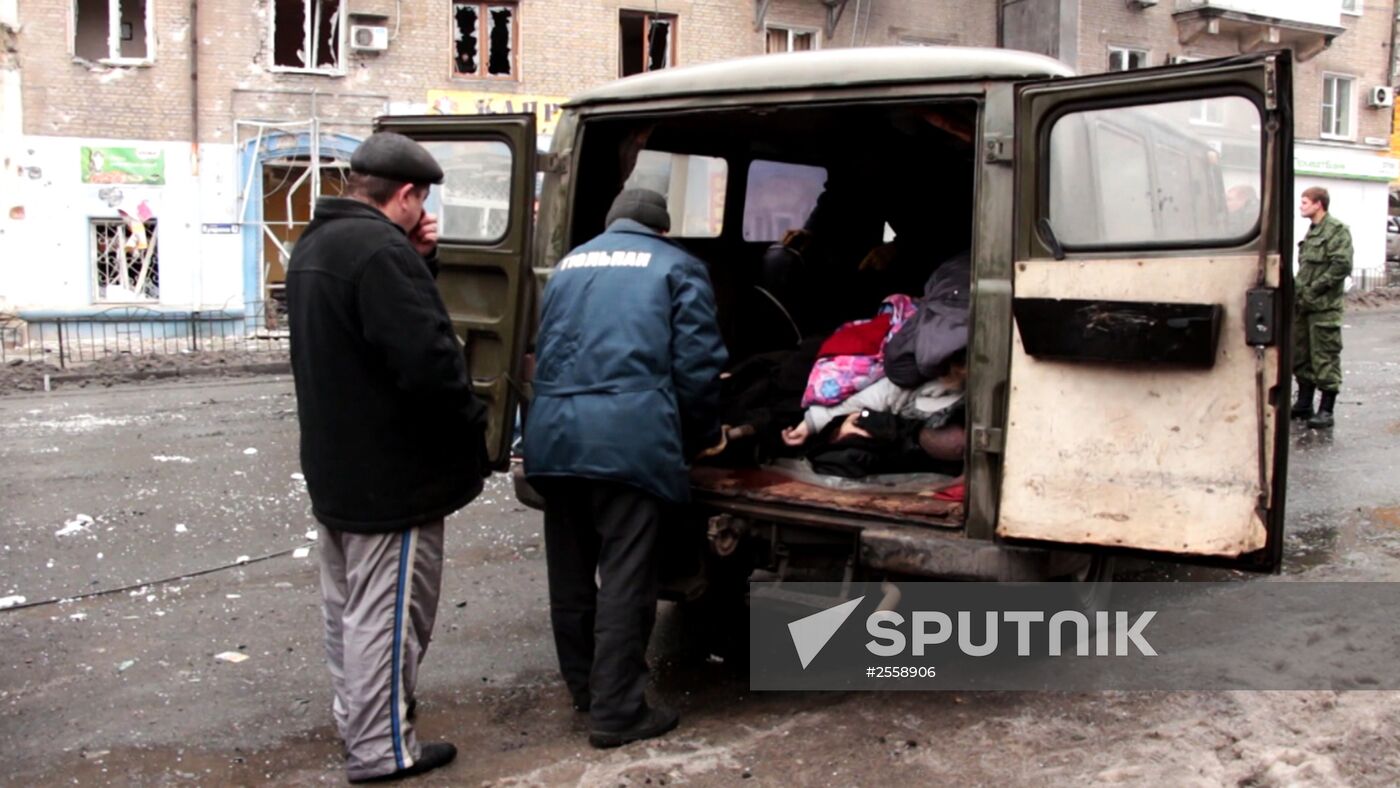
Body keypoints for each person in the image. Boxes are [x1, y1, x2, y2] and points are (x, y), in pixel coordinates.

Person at [287, 132, 489, 783]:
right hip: (391, 476)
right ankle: (380, 749)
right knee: (389, 615)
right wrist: (475, 429)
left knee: (350, 610)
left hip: (338, 467)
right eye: (420, 201)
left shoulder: (317, 244)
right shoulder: (379, 252)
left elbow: (365, 336)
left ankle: (360, 724)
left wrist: (417, 258)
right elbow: (428, 363)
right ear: (406, 195)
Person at [523, 188, 727, 749]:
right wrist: (696, 439)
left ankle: (586, 690)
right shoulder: (678, 266)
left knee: (569, 573)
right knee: (626, 578)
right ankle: (617, 712)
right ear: (661, 230)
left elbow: (542, 346)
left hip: (553, 437)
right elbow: (698, 365)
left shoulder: (568, 264)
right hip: (629, 441)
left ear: (611, 224)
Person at [1292, 186, 1353, 430]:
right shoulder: (1313, 232)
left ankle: (1326, 410)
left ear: (1319, 204)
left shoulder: (1337, 231)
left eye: (1305, 202)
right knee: (1301, 356)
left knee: (1325, 356)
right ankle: (1305, 403)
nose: (1301, 206)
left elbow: (1341, 265)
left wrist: (1314, 288)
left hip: (1324, 308)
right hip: (1304, 306)